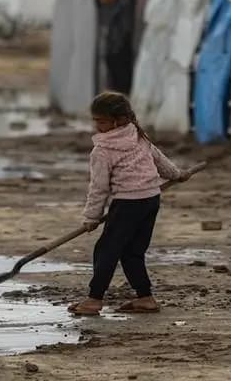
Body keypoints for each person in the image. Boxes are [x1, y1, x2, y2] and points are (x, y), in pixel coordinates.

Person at [67, 91, 190, 316]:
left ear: (119, 120)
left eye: (102, 122)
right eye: (95, 121)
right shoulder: (138, 136)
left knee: (106, 250)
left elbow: (99, 188)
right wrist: (176, 174)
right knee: (133, 252)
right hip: (151, 199)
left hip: (128, 204)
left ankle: (94, 300)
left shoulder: (102, 150)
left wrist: (92, 217)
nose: (97, 127)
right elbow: (160, 161)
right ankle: (146, 298)